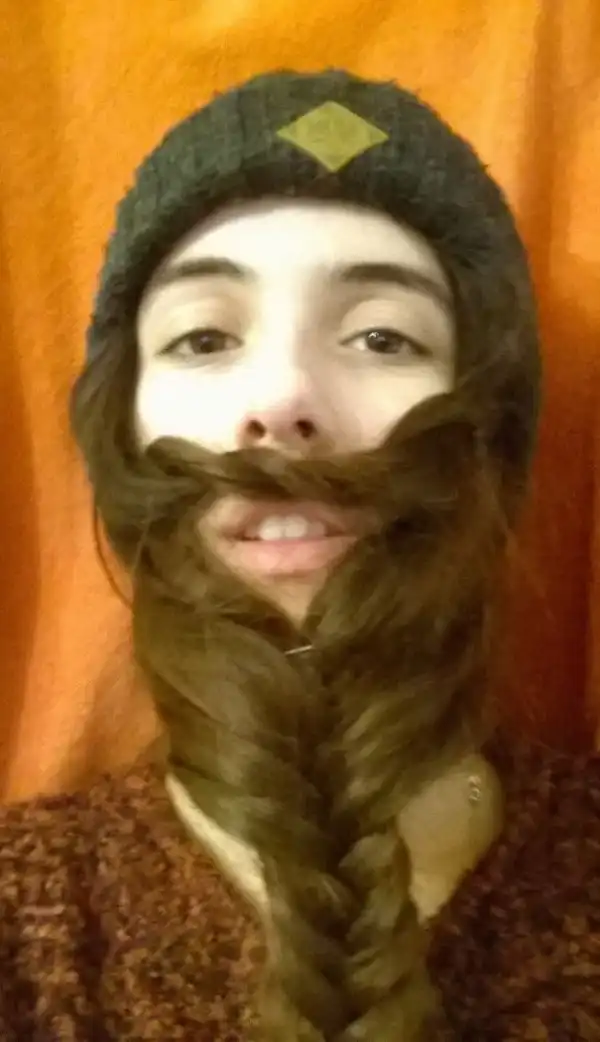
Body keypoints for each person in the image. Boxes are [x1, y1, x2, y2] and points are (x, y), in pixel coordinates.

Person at [0, 68, 598, 1042]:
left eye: (382, 337)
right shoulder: (24, 926)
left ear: (489, 437)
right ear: (122, 439)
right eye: (203, 337)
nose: (281, 400)